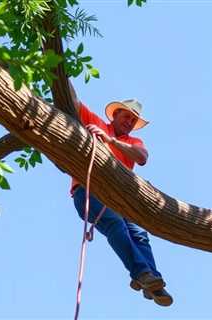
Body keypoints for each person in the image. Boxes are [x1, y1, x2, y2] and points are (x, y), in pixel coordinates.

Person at [69, 83, 173, 307]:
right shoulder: (94, 121)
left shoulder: (133, 142)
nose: (129, 122)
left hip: (119, 198)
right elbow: (72, 99)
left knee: (139, 234)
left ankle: (152, 281)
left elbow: (142, 157)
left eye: (133, 121)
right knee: (116, 225)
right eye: (126, 117)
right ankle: (142, 274)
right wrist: (56, 64)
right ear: (115, 114)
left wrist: (111, 142)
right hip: (89, 191)